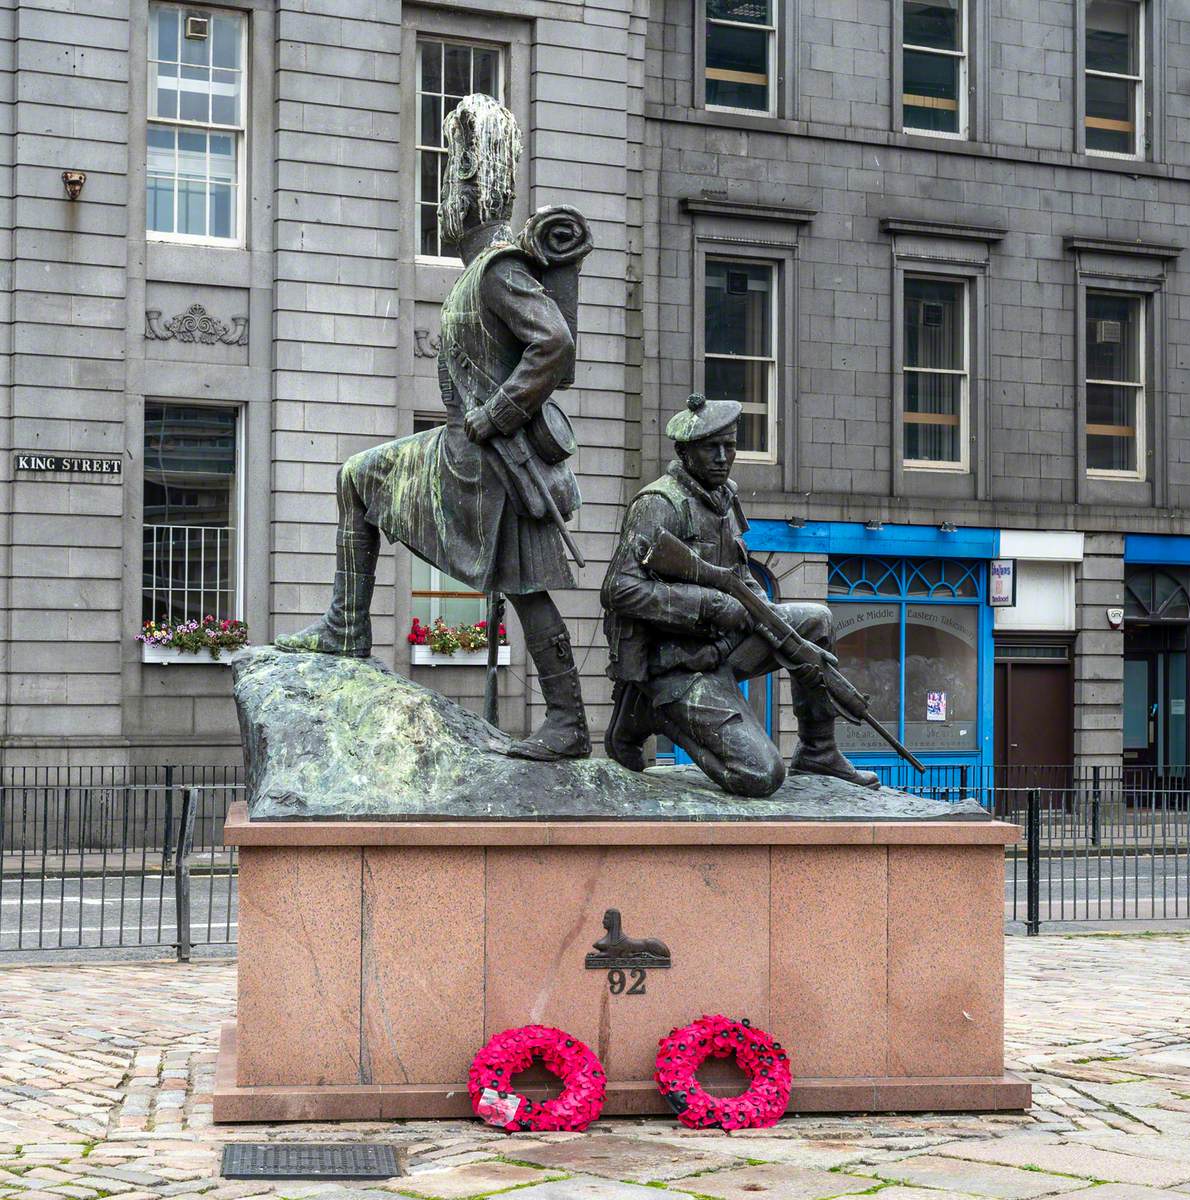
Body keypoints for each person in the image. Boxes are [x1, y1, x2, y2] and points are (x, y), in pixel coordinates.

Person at [275, 94, 589, 762]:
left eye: (453, 170)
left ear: (477, 182)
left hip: (496, 458)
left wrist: (498, 412)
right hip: (476, 454)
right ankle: (344, 630)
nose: (443, 185)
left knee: (528, 586)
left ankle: (567, 720)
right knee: (362, 482)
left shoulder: (500, 267)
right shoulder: (479, 270)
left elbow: (554, 346)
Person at [601, 393, 879, 797]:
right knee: (761, 775)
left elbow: (738, 574)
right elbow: (619, 590)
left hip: (725, 648)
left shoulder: (724, 500)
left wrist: (769, 618)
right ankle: (647, 710)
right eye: (709, 448)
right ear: (684, 451)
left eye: (729, 446)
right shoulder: (658, 504)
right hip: (677, 667)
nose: (721, 456)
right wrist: (708, 605)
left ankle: (819, 751)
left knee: (815, 622)